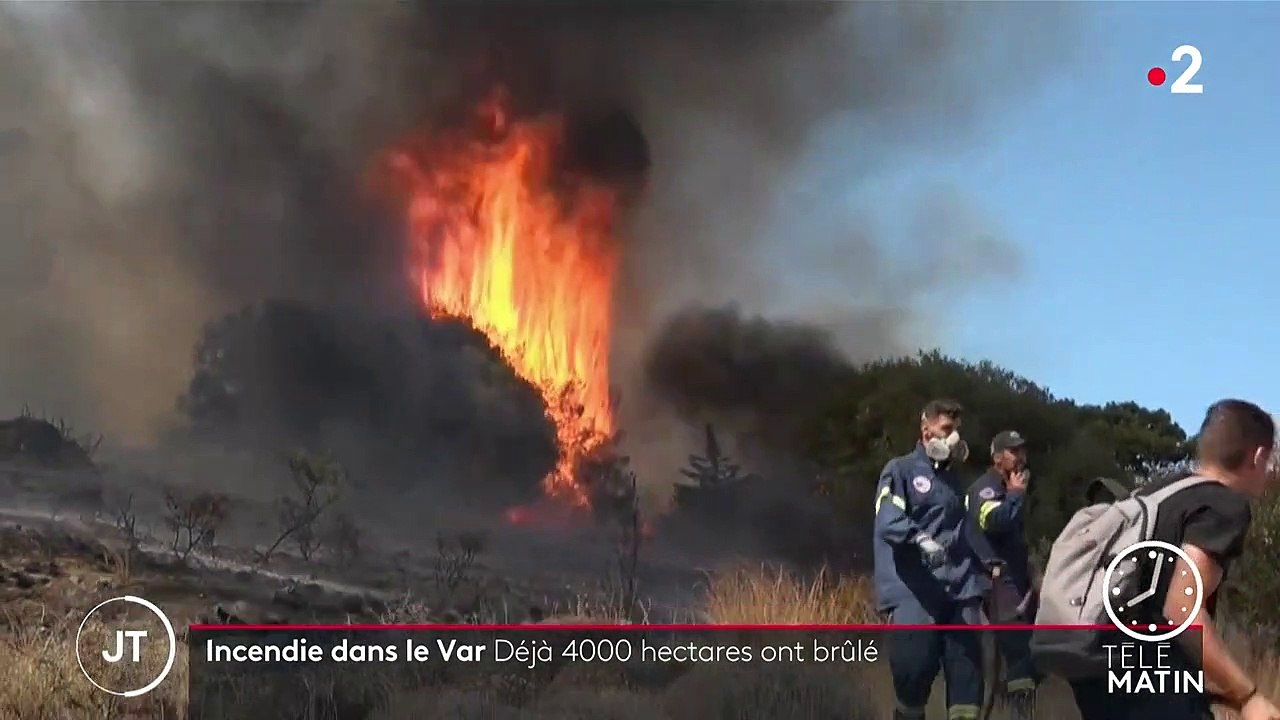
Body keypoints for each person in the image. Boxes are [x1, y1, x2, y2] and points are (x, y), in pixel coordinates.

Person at [1068, 399, 1280, 720]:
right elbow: (1182, 608)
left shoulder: (1155, 492)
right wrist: (1247, 695)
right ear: (1258, 456)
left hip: (1099, 668)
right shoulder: (1224, 505)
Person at [874, 398, 990, 720]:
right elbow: (888, 520)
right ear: (926, 431)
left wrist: (984, 580)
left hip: (959, 593)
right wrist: (921, 539)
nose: (954, 439)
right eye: (947, 430)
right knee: (913, 676)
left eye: (957, 431)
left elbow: (966, 535)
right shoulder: (900, 471)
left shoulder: (957, 483)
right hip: (915, 591)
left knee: (967, 684)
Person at [968, 430, 1041, 719]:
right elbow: (993, 522)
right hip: (995, 586)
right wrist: (1015, 495)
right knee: (1021, 659)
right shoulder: (985, 488)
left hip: (1015, 586)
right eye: (1013, 451)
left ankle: (1002, 705)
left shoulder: (1009, 489)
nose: (1021, 456)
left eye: (1022, 450)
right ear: (997, 457)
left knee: (1022, 660)